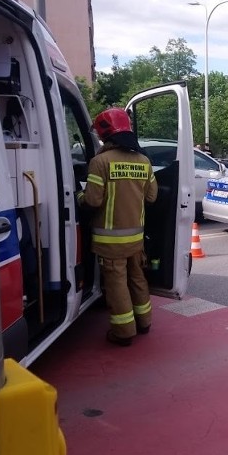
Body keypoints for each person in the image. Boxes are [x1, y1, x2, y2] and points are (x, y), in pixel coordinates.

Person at [77, 107, 159, 346]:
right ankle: (144, 322)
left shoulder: (100, 162)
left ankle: (123, 333)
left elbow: (92, 200)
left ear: (105, 134)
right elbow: (152, 197)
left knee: (117, 285)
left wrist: (79, 197)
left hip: (110, 242)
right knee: (137, 279)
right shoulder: (144, 161)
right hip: (136, 240)